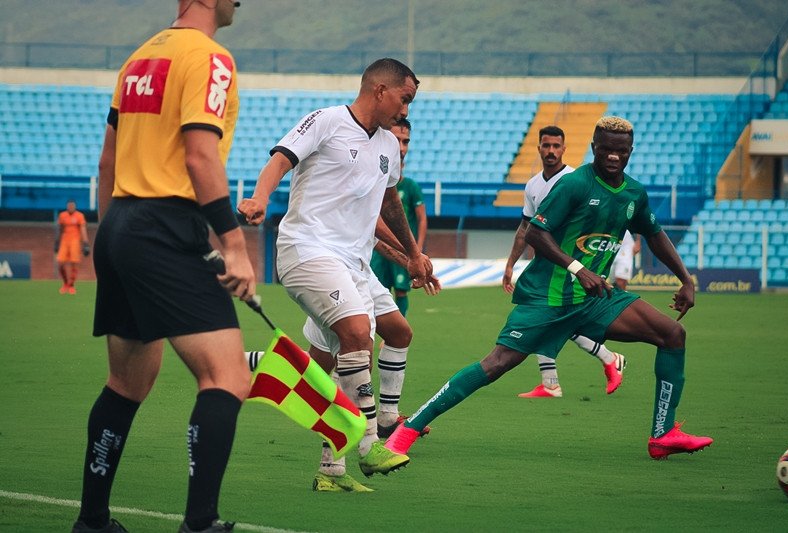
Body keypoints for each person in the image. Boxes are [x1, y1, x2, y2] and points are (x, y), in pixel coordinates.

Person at [386, 116, 713, 461]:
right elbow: (535, 234)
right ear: (594, 149)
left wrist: (685, 278)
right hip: (548, 298)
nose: (613, 157)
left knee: (672, 334)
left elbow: (654, 234)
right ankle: (407, 431)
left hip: (595, 300)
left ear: (631, 151)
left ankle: (662, 435)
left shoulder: (634, 193)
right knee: (496, 364)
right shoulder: (574, 185)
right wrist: (578, 268)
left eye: (621, 151)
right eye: (606, 149)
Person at [74, 2, 254, 532]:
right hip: (164, 223)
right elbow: (200, 157)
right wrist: (234, 246)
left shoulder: (139, 58)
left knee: (127, 383)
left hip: (122, 221)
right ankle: (200, 524)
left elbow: (108, 160)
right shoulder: (210, 57)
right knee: (228, 376)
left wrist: (110, 240)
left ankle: (93, 521)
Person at [238, 58, 433, 483]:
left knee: (371, 343)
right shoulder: (326, 121)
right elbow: (280, 160)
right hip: (307, 251)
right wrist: (259, 198)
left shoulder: (386, 146)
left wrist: (413, 255)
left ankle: (332, 466)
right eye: (405, 99)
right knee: (358, 333)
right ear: (380, 90)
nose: (406, 111)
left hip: (354, 265)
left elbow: (389, 204)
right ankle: (369, 442)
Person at [503, 126, 626, 398]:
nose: (550, 151)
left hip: (572, 266)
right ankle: (551, 383)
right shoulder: (533, 185)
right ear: (539, 148)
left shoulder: (574, 180)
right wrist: (511, 264)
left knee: (559, 321)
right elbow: (526, 228)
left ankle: (608, 358)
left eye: (556, 146)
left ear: (564, 149)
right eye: (546, 145)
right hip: (545, 268)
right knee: (545, 318)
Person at [370, 118, 427, 317]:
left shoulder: (410, 186)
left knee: (401, 291)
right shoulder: (370, 175)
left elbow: (421, 219)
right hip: (373, 248)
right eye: (397, 140)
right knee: (376, 291)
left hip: (397, 246)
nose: (401, 148)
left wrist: (416, 251)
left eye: (406, 142)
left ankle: (389, 333)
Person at [55, 199, 90, 294]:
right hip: (64, 241)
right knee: (60, 263)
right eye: (69, 206)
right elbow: (59, 229)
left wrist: (85, 243)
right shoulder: (62, 215)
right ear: (67, 206)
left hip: (75, 241)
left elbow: (83, 229)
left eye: (72, 206)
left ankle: (71, 285)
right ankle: (65, 283)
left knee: (74, 263)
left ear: (75, 206)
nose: (70, 207)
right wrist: (57, 242)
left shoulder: (79, 216)